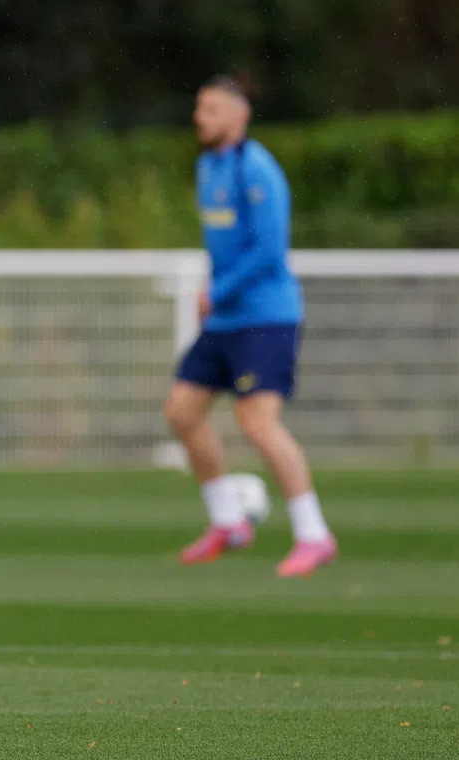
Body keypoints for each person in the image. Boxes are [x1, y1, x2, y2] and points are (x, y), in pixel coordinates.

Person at [163, 74, 338, 578]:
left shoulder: (257, 168)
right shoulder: (207, 166)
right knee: (181, 412)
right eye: (199, 108)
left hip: (267, 316)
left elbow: (268, 250)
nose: (199, 118)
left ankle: (314, 534)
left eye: (211, 109)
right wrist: (216, 294)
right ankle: (228, 522)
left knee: (258, 422)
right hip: (226, 318)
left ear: (239, 117)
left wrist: (216, 292)